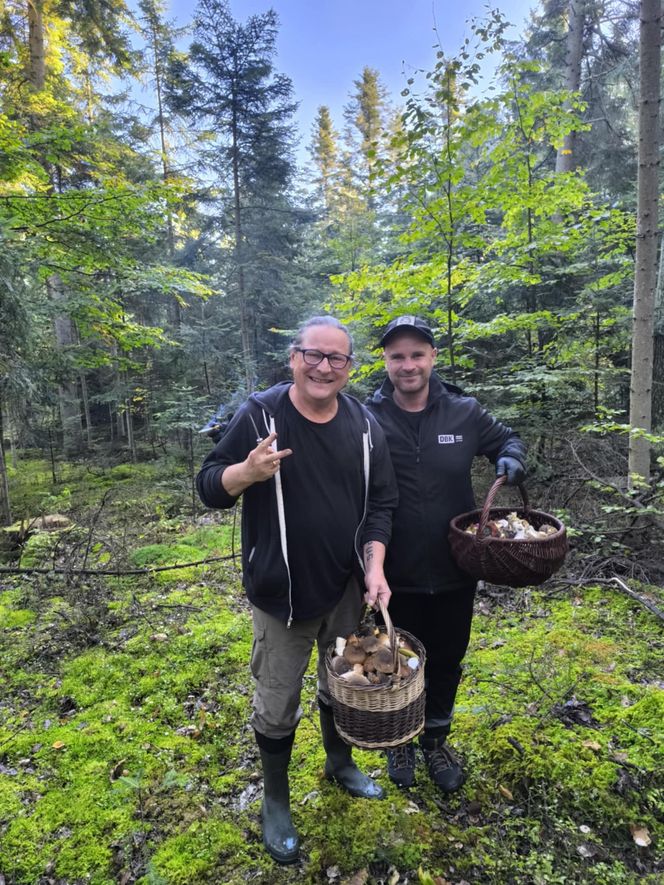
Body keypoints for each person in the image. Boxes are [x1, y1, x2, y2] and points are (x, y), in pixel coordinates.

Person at [196, 316, 398, 864]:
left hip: (345, 591)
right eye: (314, 355)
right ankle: (276, 799)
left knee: (343, 685)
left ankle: (340, 763)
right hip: (280, 596)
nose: (323, 367)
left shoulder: (362, 424)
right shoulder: (261, 414)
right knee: (278, 701)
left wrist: (374, 569)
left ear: (349, 368)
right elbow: (209, 486)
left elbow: (381, 504)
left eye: (336, 359)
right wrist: (246, 471)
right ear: (293, 358)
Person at [366, 315, 527, 793]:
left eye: (418, 354)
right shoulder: (366, 417)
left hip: (457, 566)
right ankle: (399, 740)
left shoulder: (464, 412)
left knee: (447, 658)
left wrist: (512, 459)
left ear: (433, 358)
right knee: (393, 657)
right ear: (386, 362)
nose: (408, 364)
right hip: (392, 568)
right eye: (398, 356)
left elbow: (508, 439)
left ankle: (435, 742)